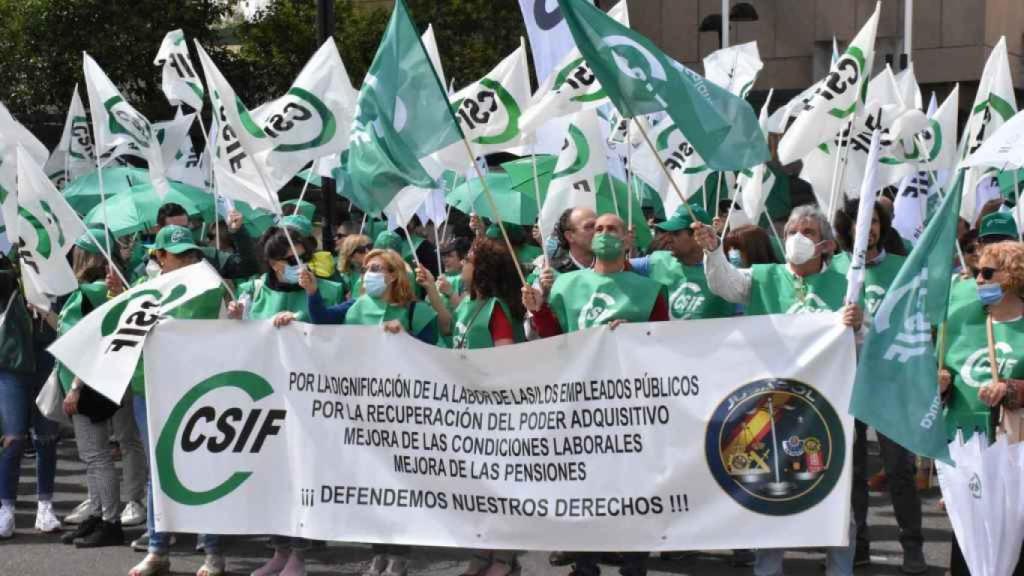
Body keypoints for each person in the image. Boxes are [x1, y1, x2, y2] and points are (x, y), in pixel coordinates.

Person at [693, 205, 863, 576]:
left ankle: (840, 569)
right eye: (790, 232)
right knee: (770, 493)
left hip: (825, 407)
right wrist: (712, 251)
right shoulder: (763, 277)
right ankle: (767, 569)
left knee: (834, 493)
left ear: (827, 246)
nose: (796, 239)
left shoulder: (845, 285)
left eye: (807, 232)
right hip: (768, 406)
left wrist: (858, 326)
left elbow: (862, 345)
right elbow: (724, 284)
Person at [522, 213, 664, 576]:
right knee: (584, 484)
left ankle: (635, 562)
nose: (603, 234)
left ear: (627, 238)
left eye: (611, 229)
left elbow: (666, 344)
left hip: (631, 405)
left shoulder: (649, 289)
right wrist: (539, 311)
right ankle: (586, 563)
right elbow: (556, 336)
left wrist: (638, 334)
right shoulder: (566, 285)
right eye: (597, 229)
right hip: (581, 403)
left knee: (634, 488)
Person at [126, 225, 228, 576]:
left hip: (198, 390)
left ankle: (213, 551)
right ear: (158, 257)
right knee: (158, 469)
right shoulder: (142, 290)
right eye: (175, 254)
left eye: (189, 253)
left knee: (202, 466)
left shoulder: (213, 288)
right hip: (150, 388)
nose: (183, 260)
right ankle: (158, 549)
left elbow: (229, 333)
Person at [832, 200, 924, 574]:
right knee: (850, 469)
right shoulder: (835, 270)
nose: (867, 229)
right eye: (859, 223)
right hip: (844, 381)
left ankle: (913, 546)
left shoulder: (903, 269)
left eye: (874, 222)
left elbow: (914, 324)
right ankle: (859, 543)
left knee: (899, 468)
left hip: (889, 384)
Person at [56, 230, 147, 548]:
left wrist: (76, 387)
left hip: (89, 384)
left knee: (96, 457)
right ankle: (97, 514)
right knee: (95, 455)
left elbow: (93, 344)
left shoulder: (92, 292)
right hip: (99, 382)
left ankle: (109, 521)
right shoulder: (94, 291)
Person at [939, 241, 1024, 576]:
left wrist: (1011, 390)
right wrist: (941, 386)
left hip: (1014, 456)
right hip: (969, 454)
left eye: (988, 273)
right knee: (969, 548)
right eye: (977, 273)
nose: (978, 280)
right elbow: (947, 389)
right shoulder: (961, 324)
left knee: (1014, 545)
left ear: (1014, 277)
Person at [452, 237, 526, 576]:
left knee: (500, 486)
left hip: (495, 413)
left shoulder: (496, 308)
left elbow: (506, 358)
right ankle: (482, 551)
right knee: (475, 487)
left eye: (467, 259)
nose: (462, 265)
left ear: (480, 269)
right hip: (466, 410)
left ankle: (504, 558)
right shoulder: (466, 305)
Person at [0, 257, 61, 539]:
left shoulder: (59, 283)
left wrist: (44, 309)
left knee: (46, 438)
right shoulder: (6, 278)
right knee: (13, 440)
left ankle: (45, 506)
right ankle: (6, 509)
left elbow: (68, 326)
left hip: (47, 365)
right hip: (12, 367)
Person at [628, 204, 734, 320]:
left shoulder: (724, 273)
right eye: (667, 233)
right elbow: (615, 269)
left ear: (697, 236)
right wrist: (622, 248)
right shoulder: (656, 261)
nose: (667, 239)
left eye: (675, 233)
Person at [228, 227, 345, 323]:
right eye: (293, 260)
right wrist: (239, 317)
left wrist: (299, 320)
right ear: (273, 264)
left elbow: (335, 336)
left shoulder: (331, 291)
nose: (301, 264)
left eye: (304, 257)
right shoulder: (252, 291)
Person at [337, 234, 372, 299]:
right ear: (350, 255)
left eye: (370, 247)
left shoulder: (375, 273)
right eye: (361, 250)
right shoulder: (342, 278)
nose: (368, 251)